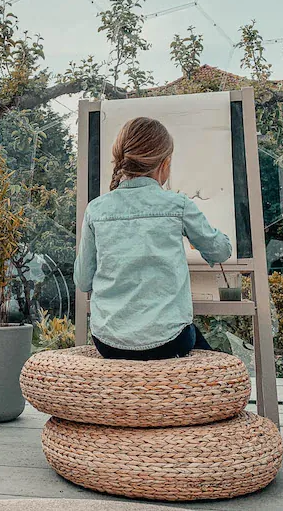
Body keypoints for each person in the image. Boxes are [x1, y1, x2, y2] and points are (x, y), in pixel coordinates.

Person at [73, 116, 232, 360]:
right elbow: (221, 251)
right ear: (165, 164)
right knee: (212, 365)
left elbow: (83, 281)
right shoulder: (177, 205)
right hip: (169, 341)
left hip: (107, 341)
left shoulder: (96, 210)